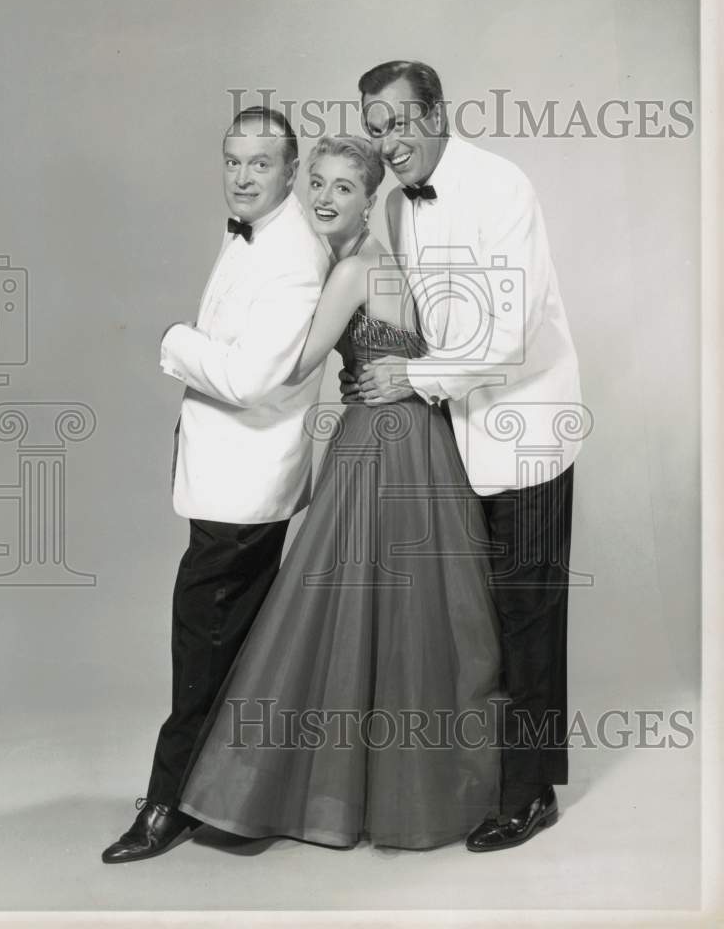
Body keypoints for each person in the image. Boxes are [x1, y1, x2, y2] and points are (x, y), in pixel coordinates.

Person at [175, 135, 503, 850]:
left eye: (342, 188)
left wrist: (207, 343)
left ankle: (290, 794)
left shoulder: (354, 271)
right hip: (417, 441)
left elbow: (292, 364)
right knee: (399, 614)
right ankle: (385, 791)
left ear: (369, 198)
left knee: (339, 608)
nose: (322, 197)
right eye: (317, 183)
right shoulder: (380, 261)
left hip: (379, 447)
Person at [350, 60, 583, 851]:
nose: (389, 141)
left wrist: (411, 376)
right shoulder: (394, 206)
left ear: (438, 114)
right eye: (375, 129)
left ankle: (529, 792)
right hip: (455, 432)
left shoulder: (502, 185)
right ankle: (491, 774)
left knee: (528, 610)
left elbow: (510, 336)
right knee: (477, 614)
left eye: (399, 122)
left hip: (528, 427)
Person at [101, 106, 331, 864]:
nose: (241, 176)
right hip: (234, 478)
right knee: (231, 652)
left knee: (201, 656)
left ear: (291, 171)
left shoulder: (293, 254)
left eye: (259, 164)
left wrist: (173, 341)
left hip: (245, 487)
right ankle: (224, 801)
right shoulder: (254, 231)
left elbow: (250, 378)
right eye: (232, 161)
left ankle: (165, 807)